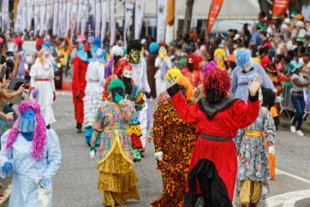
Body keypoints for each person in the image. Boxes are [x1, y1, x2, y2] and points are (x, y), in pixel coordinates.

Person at [166, 68, 262, 206]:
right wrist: (252, 96)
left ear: (206, 85)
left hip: (204, 149)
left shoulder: (202, 105)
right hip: (222, 151)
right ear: (225, 85)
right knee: (220, 192)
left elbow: (186, 114)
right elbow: (248, 117)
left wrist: (175, 92)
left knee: (205, 192)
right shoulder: (233, 105)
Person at [89, 79, 140, 207]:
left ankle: (120, 196)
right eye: (115, 90)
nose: (117, 92)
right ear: (110, 92)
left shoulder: (127, 105)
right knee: (109, 171)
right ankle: (109, 198)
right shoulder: (104, 107)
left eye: (120, 90)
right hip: (108, 144)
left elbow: (131, 117)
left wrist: (122, 102)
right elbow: (97, 127)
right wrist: (92, 144)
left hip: (123, 144)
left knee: (122, 171)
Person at [0, 101, 61, 207]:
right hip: (19, 185)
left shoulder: (48, 136)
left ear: (37, 117)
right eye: (22, 114)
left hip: (39, 185)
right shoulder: (11, 136)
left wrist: (46, 176)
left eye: (29, 114)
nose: (25, 117)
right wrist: (5, 162)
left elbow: (55, 159)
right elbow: (3, 154)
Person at [151, 73, 196, 207]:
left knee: (187, 185)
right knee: (171, 188)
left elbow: (199, 127)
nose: (180, 94)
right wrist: (158, 149)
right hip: (169, 154)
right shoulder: (164, 107)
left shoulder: (193, 106)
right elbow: (158, 129)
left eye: (183, 91)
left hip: (188, 152)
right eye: (178, 90)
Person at [234, 89, 276, 207]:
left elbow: (269, 128)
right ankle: (243, 201)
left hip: (258, 147)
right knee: (245, 174)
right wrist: (236, 149)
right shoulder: (244, 110)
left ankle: (254, 201)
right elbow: (239, 131)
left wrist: (271, 143)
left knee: (258, 175)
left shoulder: (264, 112)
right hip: (245, 147)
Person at [30, 42, 56, 129]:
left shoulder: (50, 65)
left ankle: (47, 124)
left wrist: (53, 91)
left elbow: (51, 79)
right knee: (38, 105)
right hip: (38, 87)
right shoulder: (36, 65)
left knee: (47, 104)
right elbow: (32, 78)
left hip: (47, 87)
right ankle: (37, 125)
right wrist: (33, 88)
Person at [83, 48, 106, 146]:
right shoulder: (100, 65)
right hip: (97, 89)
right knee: (97, 113)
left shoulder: (91, 63)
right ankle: (96, 139)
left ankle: (88, 137)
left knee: (89, 112)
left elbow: (86, 77)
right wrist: (106, 85)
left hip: (89, 89)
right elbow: (101, 79)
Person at [72, 35, 91, 133]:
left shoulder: (84, 59)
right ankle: (80, 123)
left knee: (83, 105)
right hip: (80, 86)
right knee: (80, 105)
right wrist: (78, 89)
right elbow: (75, 76)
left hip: (84, 86)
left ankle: (82, 123)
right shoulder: (80, 59)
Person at [289, 60, 310, 136]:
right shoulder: (294, 76)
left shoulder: (300, 74)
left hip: (302, 96)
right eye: (298, 67)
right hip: (295, 96)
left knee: (302, 113)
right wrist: (308, 82)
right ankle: (293, 124)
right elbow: (300, 84)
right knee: (299, 111)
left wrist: (307, 78)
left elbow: (305, 79)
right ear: (295, 69)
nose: (300, 68)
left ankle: (299, 129)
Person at [262, 87, 278, 180]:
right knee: (271, 153)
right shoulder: (272, 109)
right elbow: (276, 121)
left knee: (267, 153)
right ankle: (270, 173)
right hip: (268, 134)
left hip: (262, 134)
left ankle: (267, 172)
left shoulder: (264, 109)